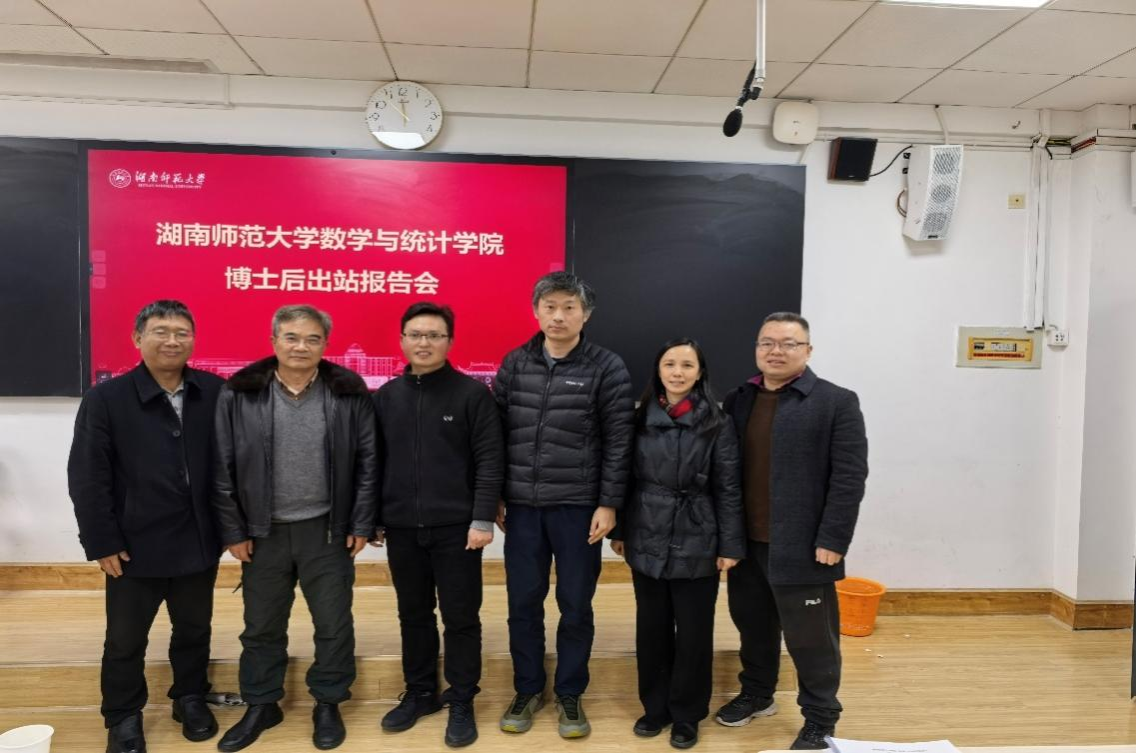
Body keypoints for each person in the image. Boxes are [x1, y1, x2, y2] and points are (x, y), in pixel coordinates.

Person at [212, 304, 378, 752]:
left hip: (327, 529)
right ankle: (262, 702)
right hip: (262, 532)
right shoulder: (241, 391)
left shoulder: (348, 390)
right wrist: (233, 530)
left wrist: (361, 521)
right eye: (291, 337)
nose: (301, 346)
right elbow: (222, 465)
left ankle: (328, 701)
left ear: (325, 345)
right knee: (261, 625)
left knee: (334, 624)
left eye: (312, 339)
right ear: (274, 341)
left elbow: (368, 461)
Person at [68, 299, 224, 753]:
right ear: (138, 338)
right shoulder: (106, 399)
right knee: (125, 638)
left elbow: (230, 465)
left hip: (199, 539)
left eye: (181, 332)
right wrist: (101, 540)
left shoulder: (215, 392)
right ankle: (122, 715)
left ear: (193, 340)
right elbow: (87, 475)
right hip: (133, 544)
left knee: (194, 628)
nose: (172, 340)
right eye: (160, 331)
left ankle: (189, 697)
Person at [715, 312, 868, 751]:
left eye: (788, 343)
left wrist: (833, 539)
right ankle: (757, 694)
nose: (776, 351)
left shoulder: (836, 401)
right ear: (756, 349)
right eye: (767, 343)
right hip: (747, 545)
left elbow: (849, 477)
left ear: (808, 351)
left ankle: (820, 718)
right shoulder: (739, 399)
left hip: (805, 547)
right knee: (753, 627)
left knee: (812, 639)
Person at [493, 271, 634, 738]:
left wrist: (609, 503)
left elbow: (619, 441)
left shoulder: (606, 367)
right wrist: (496, 495)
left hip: (579, 508)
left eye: (569, 307)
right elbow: (494, 435)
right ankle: (528, 688)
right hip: (523, 508)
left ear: (585, 314)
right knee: (523, 603)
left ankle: (570, 693)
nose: (558, 315)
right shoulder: (515, 363)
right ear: (536, 311)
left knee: (575, 605)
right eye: (550, 306)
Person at [371, 302, 504, 748]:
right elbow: (374, 462)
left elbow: (489, 461)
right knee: (413, 615)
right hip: (402, 528)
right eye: (415, 334)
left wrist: (481, 518)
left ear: (449, 341)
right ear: (402, 340)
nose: (424, 343)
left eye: (434, 335)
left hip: (458, 530)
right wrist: (374, 518)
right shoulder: (386, 397)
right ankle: (421, 692)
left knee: (460, 617)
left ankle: (461, 697)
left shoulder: (471, 395)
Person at [610, 338, 745, 749]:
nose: (678, 372)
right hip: (646, 531)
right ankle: (655, 708)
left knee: (693, 633)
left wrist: (730, 545)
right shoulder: (638, 418)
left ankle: (687, 714)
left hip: (699, 534)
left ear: (700, 373)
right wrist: (620, 531)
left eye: (687, 365)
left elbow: (729, 487)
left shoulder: (718, 422)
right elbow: (624, 477)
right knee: (651, 628)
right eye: (670, 364)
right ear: (658, 370)